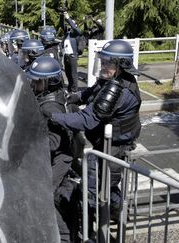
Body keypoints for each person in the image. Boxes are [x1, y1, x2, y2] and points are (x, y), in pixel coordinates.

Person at [47, 40, 141, 223]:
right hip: (106, 141)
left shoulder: (118, 89)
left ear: (122, 65)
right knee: (105, 184)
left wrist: (54, 117)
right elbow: (94, 92)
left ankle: (95, 224)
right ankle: (116, 213)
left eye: (108, 62)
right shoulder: (112, 79)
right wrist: (77, 96)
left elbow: (86, 120)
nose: (103, 66)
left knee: (101, 186)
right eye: (102, 61)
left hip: (115, 145)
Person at [27, 56, 80, 242]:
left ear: (50, 81)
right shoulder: (47, 96)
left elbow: (54, 142)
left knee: (48, 198)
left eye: (37, 80)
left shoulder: (51, 104)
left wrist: (27, 140)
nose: (33, 83)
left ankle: (65, 237)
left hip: (59, 158)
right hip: (55, 158)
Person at [59, 9, 82, 93]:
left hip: (73, 56)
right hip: (66, 56)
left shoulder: (76, 33)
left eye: (71, 23)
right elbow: (61, 24)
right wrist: (62, 15)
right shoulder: (67, 33)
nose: (69, 25)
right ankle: (70, 88)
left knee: (73, 74)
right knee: (68, 74)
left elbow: (74, 27)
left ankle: (75, 90)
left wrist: (68, 18)